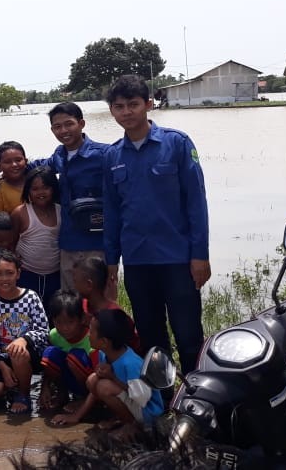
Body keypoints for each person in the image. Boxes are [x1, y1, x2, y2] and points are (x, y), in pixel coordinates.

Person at [103, 74, 210, 375]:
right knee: (152, 340)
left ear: (148, 104)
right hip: (137, 261)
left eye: (133, 105)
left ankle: (195, 399)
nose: (127, 112)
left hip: (177, 259)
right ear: (111, 110)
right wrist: (112, 261)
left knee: (189, 336)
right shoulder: (112, 156)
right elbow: (112, 212)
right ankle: (161, 405)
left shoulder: (177, 143)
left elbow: (196, 203)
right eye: (119, 106)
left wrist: (200, 254)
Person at [32, 102, 113, 298]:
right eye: (57, 127)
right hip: (68, 243)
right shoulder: (59, 155)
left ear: (82, 123)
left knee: (101, 302)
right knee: (70, 303)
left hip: (98, 244)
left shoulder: (105, 155)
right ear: (52, 130)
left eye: (69, 124)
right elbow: (39, 166)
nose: (64, 131)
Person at [52, 309, 164, 433]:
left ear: (104, 342)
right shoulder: (104, 353)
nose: (88, 334)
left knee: (103, 387)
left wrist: (113, 378)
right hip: (134, 405)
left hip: (148, 414)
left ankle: (132, 426)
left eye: (92, 331)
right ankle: (122, 418)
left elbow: (142, 398)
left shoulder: (130, 363)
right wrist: (76, 416)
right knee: (93, 380)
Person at [0, 249, 49, 414]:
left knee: (18, 352)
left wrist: (23, 340)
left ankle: (23, 395)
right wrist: (3, 367)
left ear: (18, 273)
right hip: (1, 358)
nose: (4, 278)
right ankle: (8, 388)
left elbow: (43, 330)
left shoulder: (31, 297)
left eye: (9, 273)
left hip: (28, 354)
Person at [10, 166, 62, 310]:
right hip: (27, 274)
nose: (41, 193)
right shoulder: (20, 213)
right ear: (28, 191)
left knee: (52, 314)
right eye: (35, 189)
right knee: (27, 312)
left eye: (45, 188)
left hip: (55, 275)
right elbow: (11, 244)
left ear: (54, 189)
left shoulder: (61, 211)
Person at [39, 290, 93, 411]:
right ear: (53, 321)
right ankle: (62, 394)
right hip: (69, 378)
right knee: (49, 354)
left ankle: (85, 399)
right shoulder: (54, 335)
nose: (65, 328)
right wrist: (45, 387)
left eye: (70, 322)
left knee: (74, 358)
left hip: (90, 384)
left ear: (81, 319)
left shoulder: (92, 338)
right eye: (59, 322)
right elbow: (49, 367)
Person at [71, 257, 140, 351]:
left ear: (89, 285)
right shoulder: (81, 307)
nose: (73, 285)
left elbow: (133, 347)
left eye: (75, 281)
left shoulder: (115, 316)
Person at [0, 141, 28, 215]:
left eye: (18, 160)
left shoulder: (37, 183)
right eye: (7, 162)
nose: (14, 165)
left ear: (26, 161)